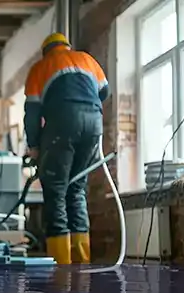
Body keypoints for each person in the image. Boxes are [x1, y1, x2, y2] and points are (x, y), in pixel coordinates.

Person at [23, 32, 110, 264]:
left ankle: (60, 264)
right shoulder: (87, 59)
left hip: (62, 122)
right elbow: (104, 92)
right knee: (77, 189)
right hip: (94, 123)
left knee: (56, 191)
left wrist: (34, 146)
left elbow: (32, 112)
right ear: (66, 46)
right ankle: (82, 260)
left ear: (46, 51)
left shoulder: (40, 68)